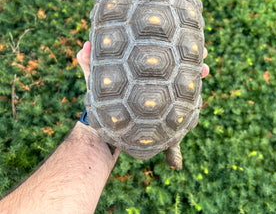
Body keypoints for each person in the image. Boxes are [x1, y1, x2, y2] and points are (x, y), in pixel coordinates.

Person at [0, 41, 209, 214]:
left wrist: (101, 117)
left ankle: (173, 142)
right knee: (186, 61)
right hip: (172, 116)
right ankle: (173, 141)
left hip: (117, 112)